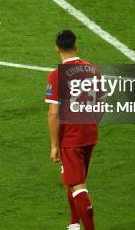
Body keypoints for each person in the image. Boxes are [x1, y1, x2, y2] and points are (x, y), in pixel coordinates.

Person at [46, 30, 98, 230]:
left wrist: (54, 145)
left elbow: (53, 114)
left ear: (56, 48)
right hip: (90, 133)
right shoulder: (92, 69)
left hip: (70, 138)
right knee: (76, 177)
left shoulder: (56, 75)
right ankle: (74, 223)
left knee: (78, 185)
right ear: (76, 47)